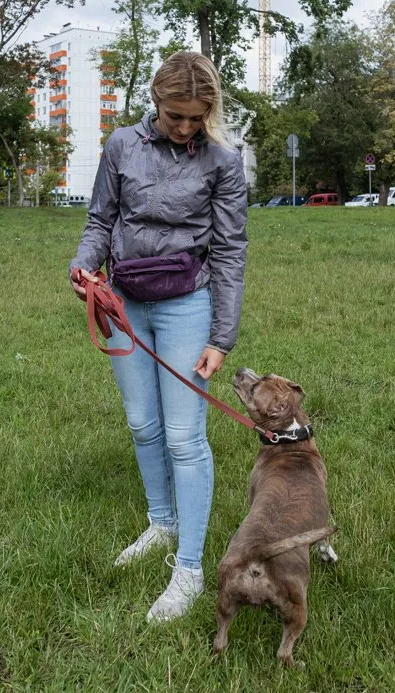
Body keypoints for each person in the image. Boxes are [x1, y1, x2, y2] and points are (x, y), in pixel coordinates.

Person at [69, 50, 248, 623]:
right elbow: (101, 219)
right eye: (177, 115)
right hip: (124, 304)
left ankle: (190, 569)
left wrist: (221, 337)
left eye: (199, 116)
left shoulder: (223, 162)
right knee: (143, 425)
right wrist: (83, 266)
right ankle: (162, 524)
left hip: (185, 306)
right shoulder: (122, 145)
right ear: (156, 101)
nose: (187, 127)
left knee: (184, 438)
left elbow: (230, 252)